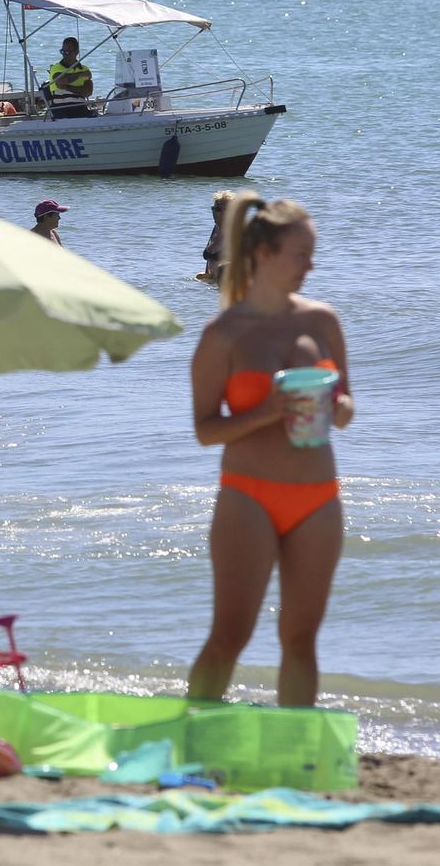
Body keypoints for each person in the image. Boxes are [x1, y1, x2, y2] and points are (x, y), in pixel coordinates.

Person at [186, 192, 355, 708]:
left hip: (318, 498)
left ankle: (297, 757)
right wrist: (267, 411)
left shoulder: (322, 321)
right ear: (265, 254)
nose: (311, 265)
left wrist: (336, 408)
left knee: (301, 641)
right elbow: (205, 430)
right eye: (301, 254)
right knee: (229, 637)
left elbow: (346, 404)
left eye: (312, 254)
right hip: (248, 496)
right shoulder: (225, 333)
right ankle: (192, 739)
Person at [46, 37, 94, 120]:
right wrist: (81, 75)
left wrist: (68, 87)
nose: (65, 55)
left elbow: (88, 91)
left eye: (68, 52)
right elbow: (61, 80)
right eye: (62, 52)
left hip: (79, 107)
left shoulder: (84, 68)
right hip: (60, 108)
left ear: (76, 52)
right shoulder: (56, 67)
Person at [195, 190, 236, 284]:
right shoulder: (216, 229)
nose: (213, 212)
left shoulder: (236, 232)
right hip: (211, 286)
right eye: (212, 209)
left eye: (218, 209)